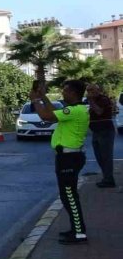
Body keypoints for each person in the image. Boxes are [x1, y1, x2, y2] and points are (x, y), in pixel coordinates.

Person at [30, 80, 90, 245]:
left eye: (65, 90)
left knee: (70, 196)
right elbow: (55, 113)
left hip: (69, 159)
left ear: (73, 93)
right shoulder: (75, 110)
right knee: (68, 196)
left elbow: (46, 117)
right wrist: (44, 98)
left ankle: (79, 233)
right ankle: (76, 229)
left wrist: (36, 100)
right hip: (68, 157)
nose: (63, 93)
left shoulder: (74, 110)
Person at [86, 84, 116, 188]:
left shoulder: (103, 99)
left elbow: (99, 112)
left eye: (92, 90)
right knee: (99, 156)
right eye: (88, 90)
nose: (89, 92)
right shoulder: (92, 101)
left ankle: (109, 179)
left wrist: (91, 101)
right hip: (96, 132)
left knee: (106, 156)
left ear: (98, 90)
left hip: (105, 131)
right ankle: (106, 177)